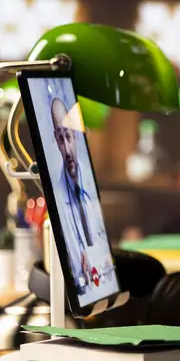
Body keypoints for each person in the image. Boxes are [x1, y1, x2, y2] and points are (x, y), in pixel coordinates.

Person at [50, 97, 105, 292]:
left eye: (68, 137)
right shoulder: (56, 199)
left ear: (75, 136)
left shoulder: (92, 183)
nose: (66, 149)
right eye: (60, 138)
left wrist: (95, 255)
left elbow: (105, 253)